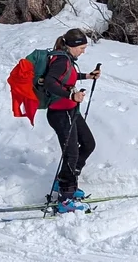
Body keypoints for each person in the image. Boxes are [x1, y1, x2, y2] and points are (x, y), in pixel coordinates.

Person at [40, 29, 97, 211]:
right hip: (60, 113)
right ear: (72, 46)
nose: (83, 51)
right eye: (81, 48)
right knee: (71, 153)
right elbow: (50, 82)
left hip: (71, 111)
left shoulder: (67, 59)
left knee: (88, 144)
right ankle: (65, 198)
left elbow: (66, 77)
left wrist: (87, 76)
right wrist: (71, 95)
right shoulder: (61, 60)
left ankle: (64, 181)